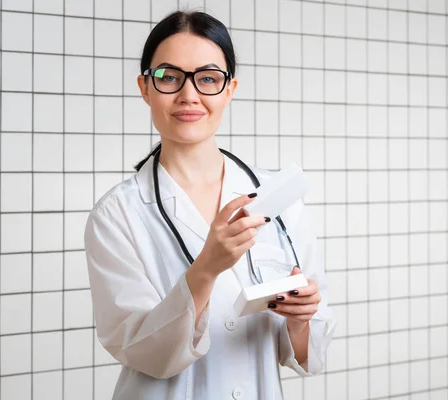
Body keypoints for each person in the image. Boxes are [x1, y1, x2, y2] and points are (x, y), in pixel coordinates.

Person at [84, 10, 336, 400]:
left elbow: (308, 356)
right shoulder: (117, 215)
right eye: (169, 77)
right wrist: (207, 268)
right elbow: (141, 351)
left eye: (208, 78)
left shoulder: (277, 196)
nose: (189, 95)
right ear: (145, 88)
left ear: (230, 88)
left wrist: (301, 320)